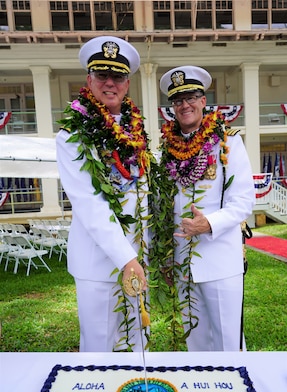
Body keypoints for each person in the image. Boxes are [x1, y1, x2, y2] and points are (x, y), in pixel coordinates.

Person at [56, 36, 152, 352]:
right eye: (102, 75)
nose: (110, 83)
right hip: (98, 264)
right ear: (89, 80)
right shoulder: (72, 135)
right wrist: (128, 258)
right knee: (99, 348)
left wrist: (148, 252)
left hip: (140, 255)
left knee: (139, 341)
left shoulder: (137, 132)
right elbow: (89, 204)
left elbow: (145, 193)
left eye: (118, 76)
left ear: (127, 83)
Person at [152, 65, 255, 351]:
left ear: (203, 101)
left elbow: (244, 199)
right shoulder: (165, 149)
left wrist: (208, 223)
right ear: (172, 107)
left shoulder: (227, 140)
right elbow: (163, 206)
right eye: (177, 100)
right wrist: (166, 257)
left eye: (191, 97)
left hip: (220, 258)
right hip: (182, 262)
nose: (184, 105)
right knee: (194, 342)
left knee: (228, 342)